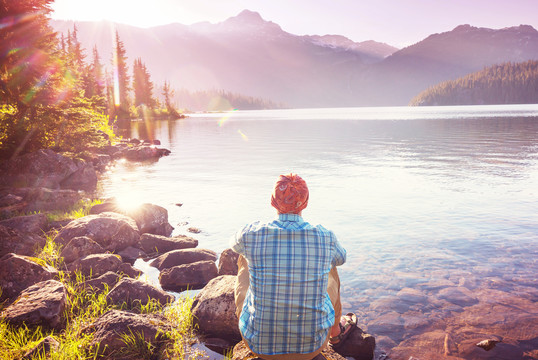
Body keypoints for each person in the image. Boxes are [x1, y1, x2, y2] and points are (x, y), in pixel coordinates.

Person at [230, 173, 354, 360]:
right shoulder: (325, 236)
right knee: (331, 264)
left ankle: (258, 319)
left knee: (243, 257)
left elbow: (233, 244)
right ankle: (336, 332)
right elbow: (341, 257)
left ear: (273, 201)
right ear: (305, 203)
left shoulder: (252, 234)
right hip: (312, 347)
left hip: (259, 346)